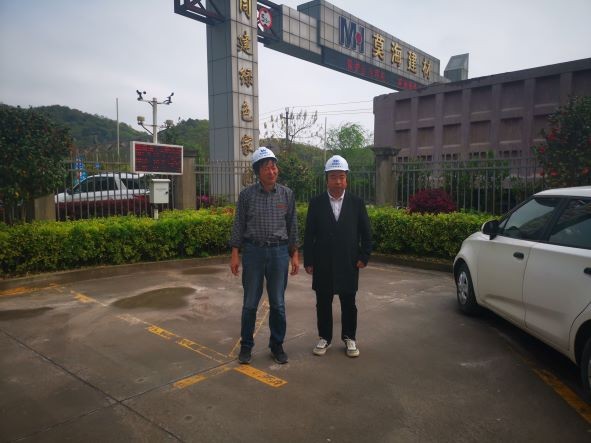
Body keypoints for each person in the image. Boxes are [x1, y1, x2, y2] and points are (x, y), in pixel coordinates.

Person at [230, 147, 299, 365]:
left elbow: (292, 226)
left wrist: (294, 254)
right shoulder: (246, 195)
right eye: (267, 168)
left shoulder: (286, 194)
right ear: (258, 171)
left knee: (278, 303)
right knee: (250, 303)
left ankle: (277, 345)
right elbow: (239, 225)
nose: (272, 171)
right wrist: (235, 253)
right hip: (253, 252)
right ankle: (246, 347)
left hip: (279, 253)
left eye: (274, 167)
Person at [304, 155, 372, 358]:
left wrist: (364, 256)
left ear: (346, 179)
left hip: (348, 261)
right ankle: (324, 337)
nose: (337, 181)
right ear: (327, 179)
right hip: (322, 262)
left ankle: (349, 337)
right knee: (323, 302)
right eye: (333, 177)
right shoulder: (316, 203)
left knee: (349, 302)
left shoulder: (356, 203)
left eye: (341, 177)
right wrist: (309, 260)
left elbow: (366, 232)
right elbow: (309, 234)